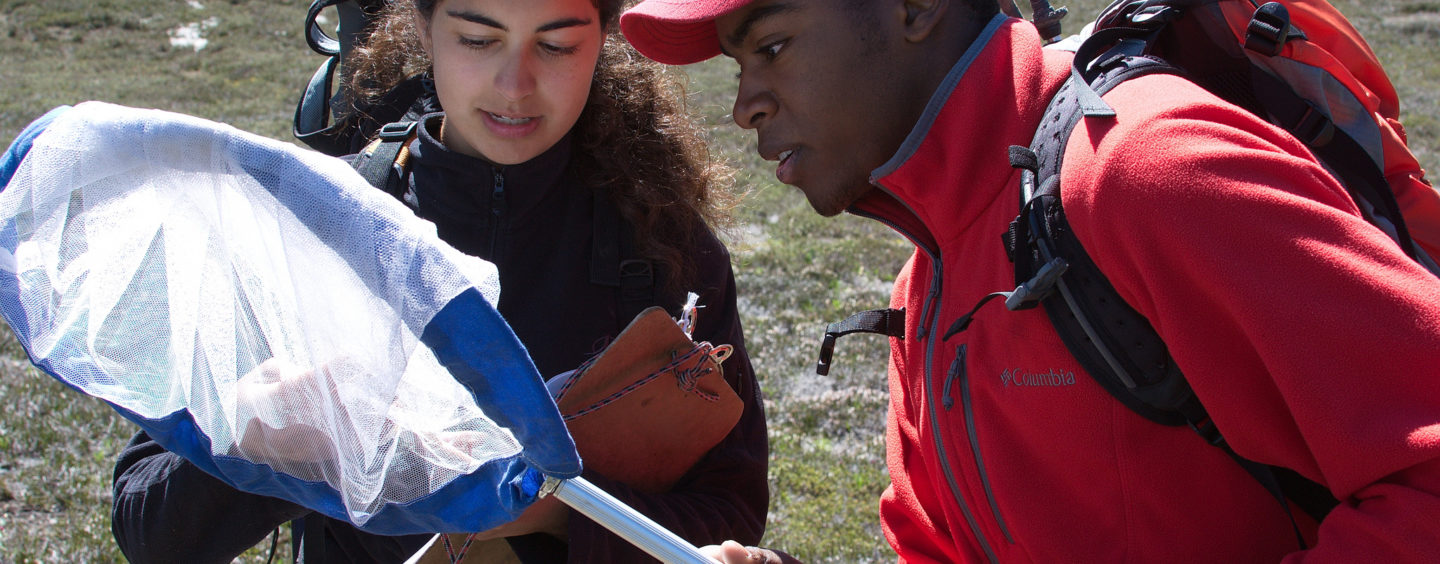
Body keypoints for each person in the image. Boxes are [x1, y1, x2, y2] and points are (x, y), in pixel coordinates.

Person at [619, 0, 1440, 562]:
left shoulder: (1145, 171)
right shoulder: (929, 281)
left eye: (770, 48)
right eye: (737, 67)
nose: (744, 106)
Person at [110, 0, 770, 562]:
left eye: (558, 45)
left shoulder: (666, 249)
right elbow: (147, 524)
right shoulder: (316, 227)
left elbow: (731, 515)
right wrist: (267, 433)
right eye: (478, 40)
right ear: (423, 29)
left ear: (604, 40)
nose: (515, 84)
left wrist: (552, 511)